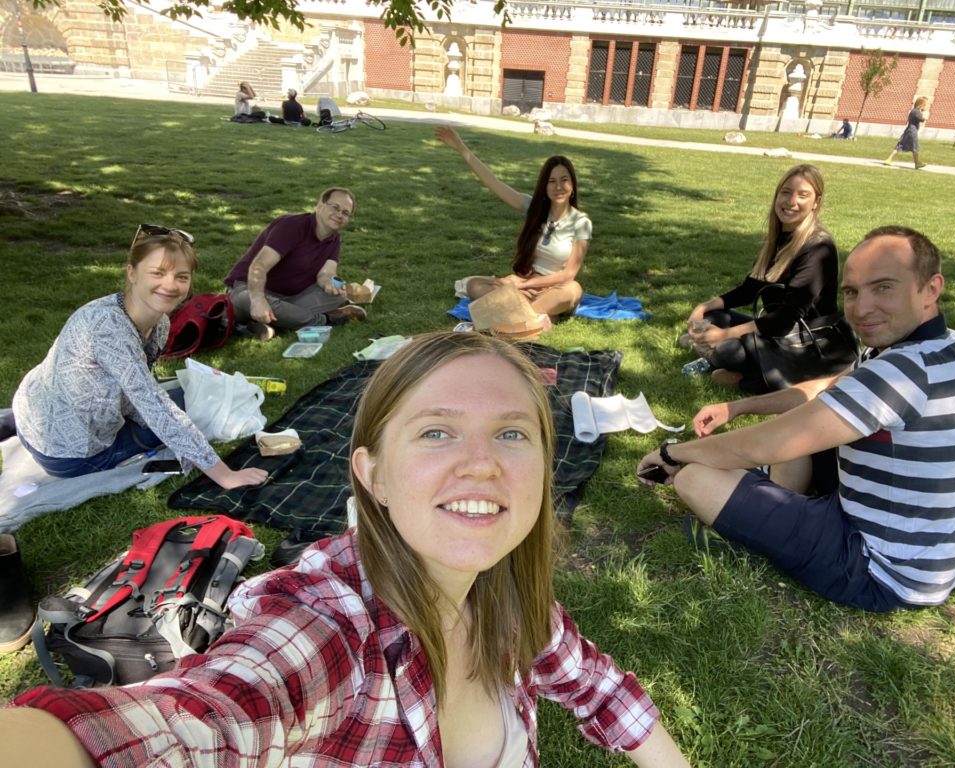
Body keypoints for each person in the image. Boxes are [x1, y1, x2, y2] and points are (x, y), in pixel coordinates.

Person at [3, 331, 692, 768]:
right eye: (436, 432)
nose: (482, 463)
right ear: (372, 474)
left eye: (513, 434)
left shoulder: (511, 595)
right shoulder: (326, 626)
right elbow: (195, 723)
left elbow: (597, 686)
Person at [640, 226, 955, 612]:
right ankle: (776, 506)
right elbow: (823, 388)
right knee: (795, 427)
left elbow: (765, 444)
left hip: (880, 570)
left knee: (696, 477)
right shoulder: (942, 345)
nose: (861, 308)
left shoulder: (900, 373)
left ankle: (765, 516)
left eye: (883, 287)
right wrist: (736, 408)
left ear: (931, 288)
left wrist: (675, 451)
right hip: (930, 555)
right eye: (852, 292)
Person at [11, 225, 269, 491]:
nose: (170, 285)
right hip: (68, 455)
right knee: (187, 407)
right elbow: (156, 408)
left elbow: (142, 387)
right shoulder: (106, 326)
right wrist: (225, 475)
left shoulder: (159, 323)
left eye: (181, 277)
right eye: (157, 273)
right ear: (131, 273)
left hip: (35, 414)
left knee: (186, 397)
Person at [680, 164, 838, 392]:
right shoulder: (779, 238)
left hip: (803, 343)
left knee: (728, 349)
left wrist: (725, 335)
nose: (791, 201)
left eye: (803, 195)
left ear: (816, 203)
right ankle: (733, 363)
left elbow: (786, 318)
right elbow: (750, 289)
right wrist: (704, 306)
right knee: (714, 316)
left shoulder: (818, 247)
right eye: (786, 192)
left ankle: (741, 370)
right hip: (773, 331)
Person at [435, 125, 591, 319]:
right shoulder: (532, 207)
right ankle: (533, 316)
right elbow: (493, 182)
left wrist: (524, 285)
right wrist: (462, 148)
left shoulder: (581, 222)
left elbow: (568, 275)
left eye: (564, 180)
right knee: (473, 285)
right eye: (551, 181)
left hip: (554, 288)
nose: (558, 186)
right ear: (544, 186)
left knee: (573, 291)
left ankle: (516, 313)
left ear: (572, 185)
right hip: (524, 284)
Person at [224, 187, 367, 341]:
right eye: (335, 207)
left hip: (291, 298)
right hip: (251, 288)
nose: (339, 215)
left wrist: (330, 285)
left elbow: (326, 273)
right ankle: (326, 320)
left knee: (338, 297)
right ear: (320, 205)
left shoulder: (334, 239)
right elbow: (259, 266)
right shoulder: (291, 226)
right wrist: (258, 299)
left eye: (345, 213)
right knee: (246, 299)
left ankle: (262, 324)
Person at [884, 97, 928, 169]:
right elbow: (921, 119)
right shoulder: (916, 111)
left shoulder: (914, 111)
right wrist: (922, 113)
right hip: (912, 131)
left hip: (909, 130)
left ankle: (889, 159)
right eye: (924, 105)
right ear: (921, 104)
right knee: (915, 146)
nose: (925, 107)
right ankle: (917, 163)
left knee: (900, 144)